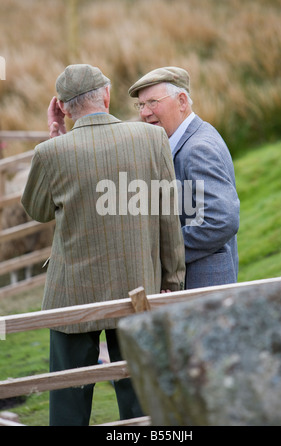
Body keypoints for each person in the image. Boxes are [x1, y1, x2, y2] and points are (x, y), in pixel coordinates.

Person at [21, 64, 185, 426]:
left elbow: (37, 210)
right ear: (107, 96)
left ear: (62, 107)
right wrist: (172, 283)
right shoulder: (152, 139)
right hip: (138, 288)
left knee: (68, 398)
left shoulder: (51, 153)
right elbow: (167, 218)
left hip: (71, 294)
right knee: (137, 397)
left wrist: (54, 136)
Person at [128, 66, 240, 289]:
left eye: (153, 102)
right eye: (141, 105)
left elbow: (220, 220)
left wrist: (166, 254)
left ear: (181, 102)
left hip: (204, 289)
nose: (144, 112)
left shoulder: (198, 148)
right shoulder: (184, 140)